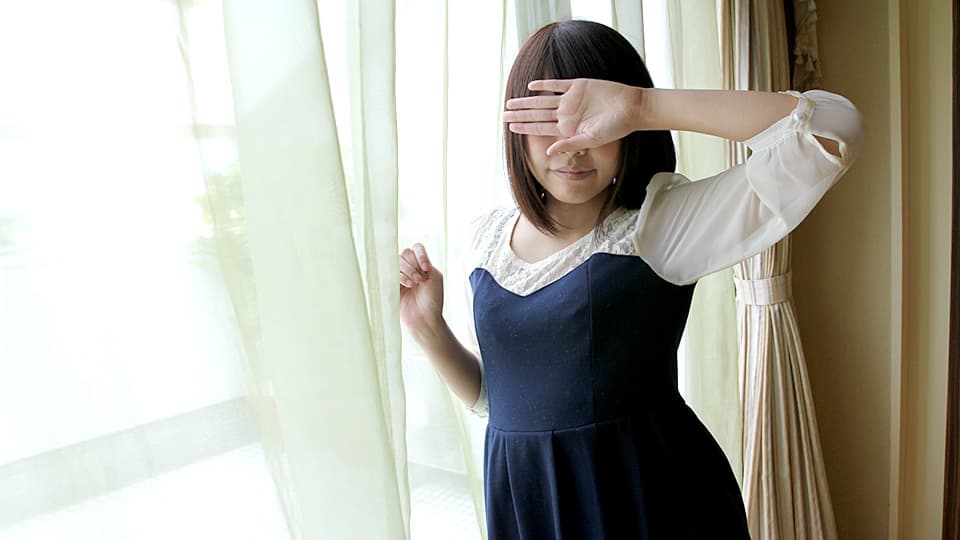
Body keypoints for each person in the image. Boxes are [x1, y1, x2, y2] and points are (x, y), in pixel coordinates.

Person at [398, 19, 864, 540]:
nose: (571, 146)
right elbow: (501, 400)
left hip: (649, 500)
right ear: (517, 128)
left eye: (590, 122)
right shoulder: (485, 240)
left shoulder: (662, 226)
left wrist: (644, 105)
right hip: (529, 506)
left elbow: (833, 131)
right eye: (550, 121)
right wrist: (428, 331)